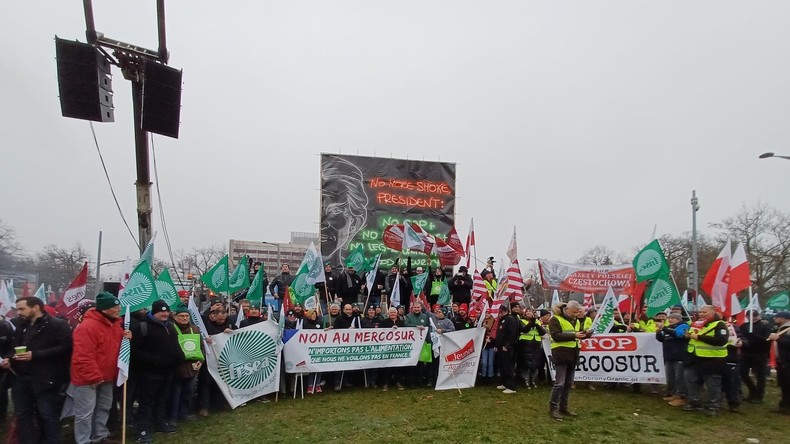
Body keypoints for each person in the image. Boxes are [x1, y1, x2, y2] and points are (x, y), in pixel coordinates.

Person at [1, 297, 72, 444]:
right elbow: (14, 347)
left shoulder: (57, 325)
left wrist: (35, 355)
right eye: (17, 309)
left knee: (47, 415)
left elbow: (65, 348)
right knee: (23, 414)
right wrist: (9, 358)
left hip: (46, 379)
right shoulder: (20, 325)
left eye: (22, 308)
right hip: (21, 378)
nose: (18, 312)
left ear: (36, 308)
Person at [68, 292, 128, 444]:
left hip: (107, 376)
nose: (119, 309)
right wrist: (93, 376)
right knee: (85, 413)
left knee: (103, 408)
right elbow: (83, 355)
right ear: (105, 309)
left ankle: (99, 436)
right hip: (87, 379)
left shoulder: (115, 325)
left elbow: (114, 345)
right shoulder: (87, 327)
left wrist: (125, 336)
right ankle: (83, 440)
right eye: (116, 307)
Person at [131, 300, 185, 443]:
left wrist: (180, 357)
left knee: (161, 399)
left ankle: (160, 423)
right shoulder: (142, 327)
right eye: (161, 311)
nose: (165, 314)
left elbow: (175, 344)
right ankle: (143, 429)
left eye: (166, 311)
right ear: (154, 312)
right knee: (146, 402)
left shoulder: (170, 326)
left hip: (167, 371)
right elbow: (135, 351)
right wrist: (154, 360)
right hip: (149, 373)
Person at [682, 305, 729, 417]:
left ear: (712, 313)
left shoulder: (720, 324)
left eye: (704, 312)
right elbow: (690, 337)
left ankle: (714, 406)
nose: (701, 314)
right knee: (690, 379)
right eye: (700, 312)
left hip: (712, 360)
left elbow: (721, 340)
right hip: (694, 358)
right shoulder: (696, 323)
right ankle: (695, 402)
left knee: (712, 384)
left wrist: (698, 337)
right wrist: (687, 336)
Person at [548, 301, 591, 421]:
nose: (576, 314)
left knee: (568, 383)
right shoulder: (555, 319)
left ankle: (563, 407)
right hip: (560, 354)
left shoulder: (575, 320)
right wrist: (575, 336)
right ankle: (553, 408)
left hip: (573, 354)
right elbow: (556, 336)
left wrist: (585, 335)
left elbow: (575, 334)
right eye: (574, 312)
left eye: (577, 312)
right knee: (559, 383)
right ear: (567, 309)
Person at [167, 305, 204, 427]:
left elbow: (201, 347)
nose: (184, 318)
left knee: (188, 392)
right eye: (181, 316)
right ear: (175, 317)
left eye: (186, 316)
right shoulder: (170, 329)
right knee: (175, 394)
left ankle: (184, 413)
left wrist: (200, 360)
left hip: (192, 367)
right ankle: (172, 417)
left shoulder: (195, 329)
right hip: (177, 368)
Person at [656, 312, 689, 407]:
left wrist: (665, 328)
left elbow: (679, 335)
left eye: (672, 318)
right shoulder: (668, 327)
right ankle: (674, 394)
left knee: (680, 378)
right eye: (669, 318)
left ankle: (682, 397)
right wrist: (659, 332)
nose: (670, 320)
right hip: (669, 356)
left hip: (679, 357)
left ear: (678, 319)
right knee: (671, 378)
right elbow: (662, 339)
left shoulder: (683, 326)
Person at [739, 309, 772, 404]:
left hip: (760, 354)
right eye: (750, 316)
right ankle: (753, 390)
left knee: (760, 376)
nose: (753, 318)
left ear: (759, 315)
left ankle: (759, 396)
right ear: (747, 317)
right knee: (743, 373)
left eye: (755, 315)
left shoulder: (765, 326)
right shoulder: (744, 326)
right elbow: (740, 336)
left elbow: (767, 340)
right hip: (746, 353)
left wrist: (754, 336)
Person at [767, 311, 790, 415]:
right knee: (784, 384)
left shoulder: (787, 329)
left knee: (787, 384)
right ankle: (784, 405)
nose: (775, 319)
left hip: (787, 361)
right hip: (781, 361)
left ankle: (786, 406)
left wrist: (778, 339)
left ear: (784, 318)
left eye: (777, 317)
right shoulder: (781, 328)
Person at [518, 306, 546, 389]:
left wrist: (536, 324)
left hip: (536, 344)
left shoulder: (538, 321)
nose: (529, 312)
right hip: (525, 343)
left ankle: (533, 379)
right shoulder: (522, 321)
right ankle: (525, 380)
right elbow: (524, 330)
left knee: (535, 363)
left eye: (530, 311)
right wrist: (531, 323)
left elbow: (542, 332)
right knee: (525, 363)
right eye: (527, 311)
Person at [379, 308, 406, 391]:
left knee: (398, 366)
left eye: (394, 312)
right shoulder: (384, 322)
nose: (393, 314)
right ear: (388, 313)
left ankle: (398, 382)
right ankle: (386, 383)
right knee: (387, 366)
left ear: (397, 313)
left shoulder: (401, 322)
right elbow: (380, 333)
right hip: (387, 347)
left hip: (397, 348)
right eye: (391, 312)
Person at [495, 304, 519, 394]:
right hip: (501, 347)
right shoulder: (502, 320)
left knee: (508, 367)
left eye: (501, 312)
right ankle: (504, 383)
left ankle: (511, 386)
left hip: (507, 347)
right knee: (503, 366)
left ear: (505, 311)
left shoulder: (510, 319)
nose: (499, 313)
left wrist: (507, 345)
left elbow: (512, 334)